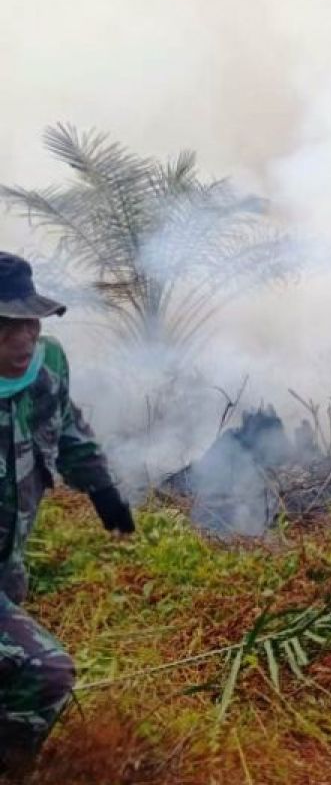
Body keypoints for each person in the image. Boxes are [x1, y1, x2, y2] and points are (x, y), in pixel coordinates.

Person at [0, 251, 134, 775]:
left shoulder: (46, 366)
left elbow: (68, 429)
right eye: (6, 325)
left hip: (8, 567)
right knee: (46, 670)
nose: (23, 339)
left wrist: (103, 492)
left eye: (30, 322)